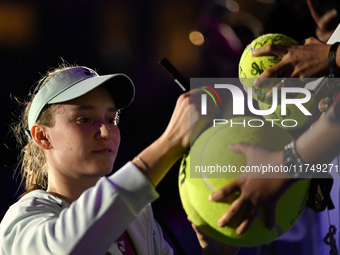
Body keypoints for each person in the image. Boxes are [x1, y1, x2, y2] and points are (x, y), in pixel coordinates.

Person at [0, 62, 227, 255]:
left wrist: (218, 252)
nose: (106, 132)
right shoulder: (22, 220)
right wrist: (170, 142)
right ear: (42, 136)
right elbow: (68, 248)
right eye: (84, 119)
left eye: (111, 119)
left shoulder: (139, 216)